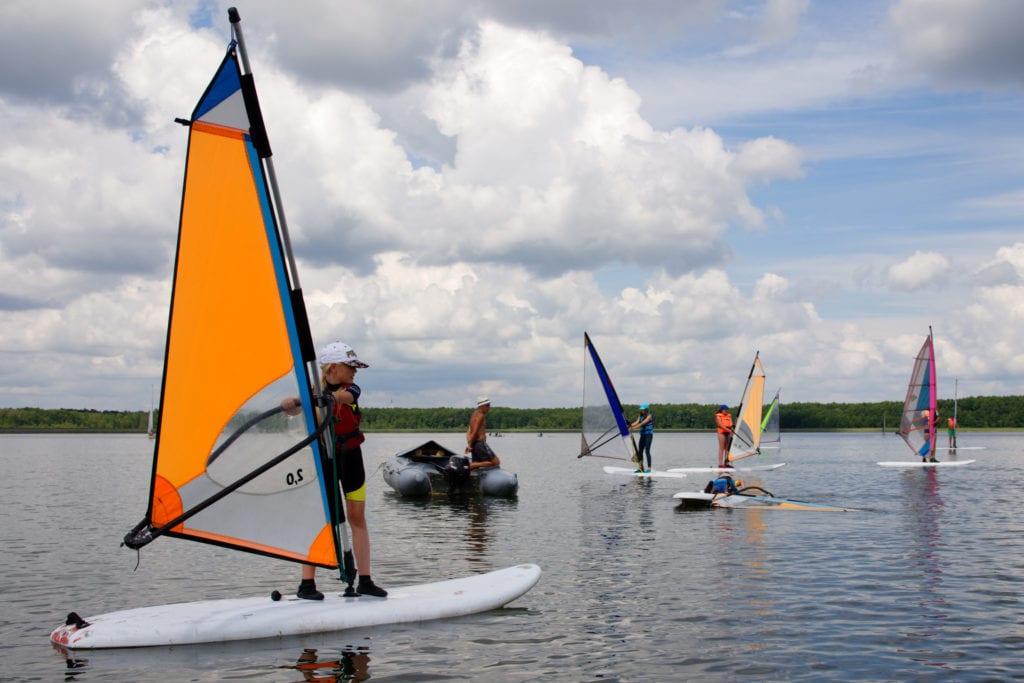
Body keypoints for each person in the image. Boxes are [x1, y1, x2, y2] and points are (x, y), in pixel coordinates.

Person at [280, 341, 387, 600]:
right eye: (351, 366)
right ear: (334, 367)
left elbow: (345, 397)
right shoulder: (312, 392)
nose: (355, 371)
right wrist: (295, 402)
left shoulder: (350, 389)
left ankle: (365, 580)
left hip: (351, 459)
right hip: (324, 461)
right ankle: (307, 585)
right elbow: (290, 407)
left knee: (357, 517)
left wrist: (317, 398)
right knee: (320, 518)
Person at [465, 396, 500, 470]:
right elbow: (475, 431)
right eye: (487, 405)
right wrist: (470, 445)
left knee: (476, 467)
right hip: (479, 444)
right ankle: (472, 465)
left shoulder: (474, 414)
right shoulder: (481, 416)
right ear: (481, 406)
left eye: (489, 405)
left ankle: (473, 469)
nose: (489, 407)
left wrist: (470, 444)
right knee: (496, 462)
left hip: (475, 444)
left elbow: (469, 431)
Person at [629, 403, 654, 473]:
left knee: (647, 451)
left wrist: (633, 429)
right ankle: (641, 468)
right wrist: (629, 425)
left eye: (643, 409)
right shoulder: (640, 416)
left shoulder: (649, 416)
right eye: (641, 409)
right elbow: (637, 422)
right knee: (640, 451)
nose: (642, 411)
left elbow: (642, 423)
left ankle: (649, 468)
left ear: (646, 410)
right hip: (642, 435)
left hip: (648, 435)